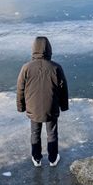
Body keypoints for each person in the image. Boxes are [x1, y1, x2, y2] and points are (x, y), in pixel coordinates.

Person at [16, 36, 69, 167]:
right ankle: (52, 159)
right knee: (52, 133)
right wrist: (64, 106)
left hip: (33, 108)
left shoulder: (26, 68)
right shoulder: (56, 67)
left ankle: (37, 158)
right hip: (51, 106)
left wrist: (21, 106)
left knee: (35, 133)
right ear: (49, 49)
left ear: (34, 49)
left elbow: (20, 89)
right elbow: (63, 89)